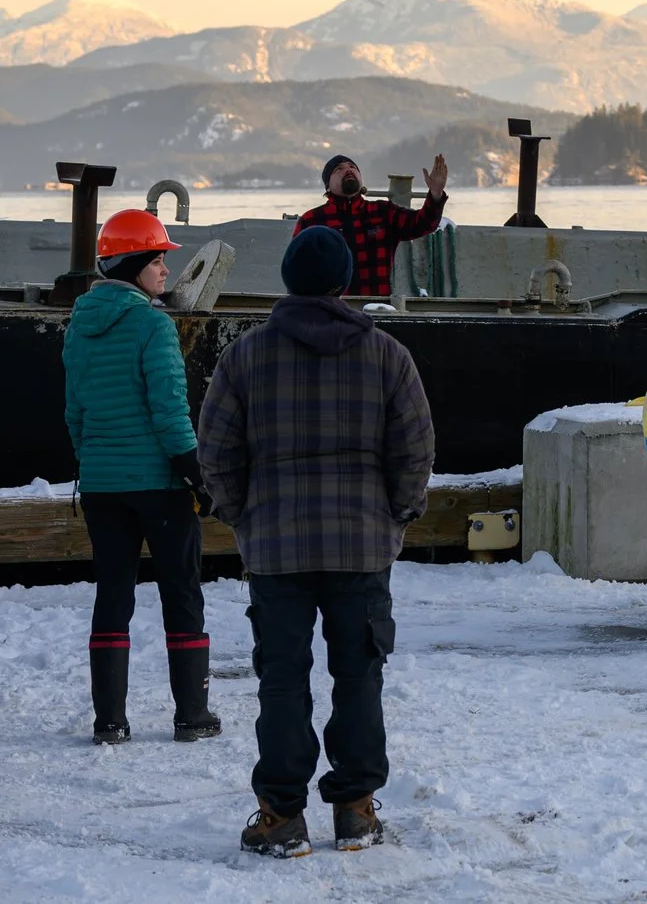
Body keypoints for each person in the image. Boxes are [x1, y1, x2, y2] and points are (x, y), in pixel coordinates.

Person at [199, 226, 434, 859]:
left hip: (276, 550)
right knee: (358, 676)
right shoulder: (387, 355)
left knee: (282, 682)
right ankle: (356, 812)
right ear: (344, 284)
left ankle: (281, 818)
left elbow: (215, 451)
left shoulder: (245, 356)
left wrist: (244, 518)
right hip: (361, 548)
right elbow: (414, 449)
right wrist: (395, 518)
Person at [63, 208, 220, 746]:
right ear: (133, 264)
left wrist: (95, 461)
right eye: (158, 260)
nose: (165, 271)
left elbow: (75, 413)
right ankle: (191, 715)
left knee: (113, 595)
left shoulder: (79, 326)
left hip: (103, 485)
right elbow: (170, 412)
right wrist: (197, 475)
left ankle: (110, 720)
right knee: (181, 592)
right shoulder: (154, 324)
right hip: (159, 483)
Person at [293, 153, 447, 300]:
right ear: (327, 186)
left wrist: (435, 194)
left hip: (376, 308)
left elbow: (423, 224)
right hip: (329, 311)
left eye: (352, 167)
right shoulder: (312, 220)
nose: (348, 170)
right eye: (338, 169)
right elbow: (297, 270)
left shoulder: (383, 212)